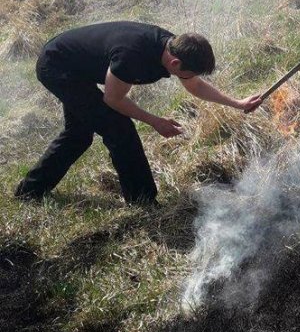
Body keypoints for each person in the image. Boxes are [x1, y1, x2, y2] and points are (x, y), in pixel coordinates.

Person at [14, 21, 262, 205]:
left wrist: (237, 103)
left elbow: (194, 84)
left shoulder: (174, 47)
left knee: (78, 134)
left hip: (75, 65)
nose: (188, 79)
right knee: (118, 129)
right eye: (187, 73)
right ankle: (142, 200)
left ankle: (30, 191)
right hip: (57, 66)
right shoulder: (132, 56)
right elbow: (113, 99)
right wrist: (155, 121)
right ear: (175, 64)